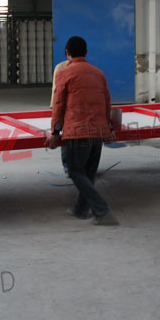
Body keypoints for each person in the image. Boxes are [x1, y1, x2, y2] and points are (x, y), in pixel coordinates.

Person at [45, 36, 118, 226]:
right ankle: (80, 210)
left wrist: (55, 133)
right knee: (88, 174)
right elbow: (107, 103)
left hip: (77, 131)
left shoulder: (64, 73)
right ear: (86, 52)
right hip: (98, 131)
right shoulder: (99, 73)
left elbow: (58, 106)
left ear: (67, 53)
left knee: (75, 172)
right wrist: (109, 128)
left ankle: (103, 211)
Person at [51, 57, 70, 176]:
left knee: (67, 136)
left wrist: (55, 133)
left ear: (67, 53)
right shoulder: (95, 71)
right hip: (76, 111)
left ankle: (69, 167)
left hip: (69, 110)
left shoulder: (60, 68)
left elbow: (57, 93)